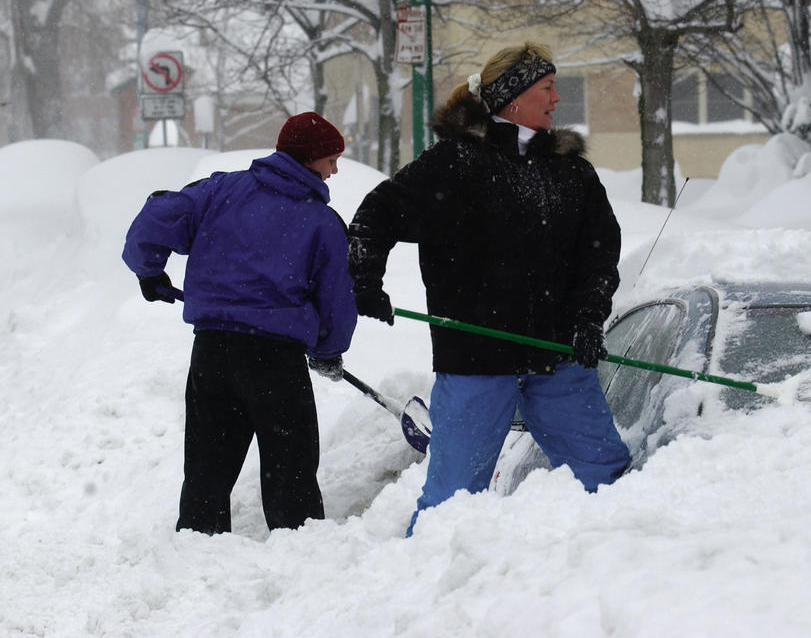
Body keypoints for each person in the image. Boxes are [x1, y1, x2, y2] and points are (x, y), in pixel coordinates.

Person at [348, 42, 630, 535]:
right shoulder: (455, 165)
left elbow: (600, 253)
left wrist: (589, 316)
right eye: (547, 88)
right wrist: (365, 281)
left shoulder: (570, 172)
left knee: (607, 479)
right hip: (475, 360)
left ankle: (608, 572)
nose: (556, 99)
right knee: (451, 501)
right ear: (513, 95)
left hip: (556, 357)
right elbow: (376, 215)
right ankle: (422, 587)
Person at [122, 111, 358, 535]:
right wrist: (328, 350)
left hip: (213, 353)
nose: (335, 169)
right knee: (291, 473)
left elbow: (156, 218)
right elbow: (337, 299)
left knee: (207, 468)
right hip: (276, 362)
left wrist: (150, 271)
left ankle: (197, 546)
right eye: (330, 159)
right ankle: (302, 555)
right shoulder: (321, 223)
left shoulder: (220, 191)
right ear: (308, 160)